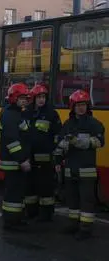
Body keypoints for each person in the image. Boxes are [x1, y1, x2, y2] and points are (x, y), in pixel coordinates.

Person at [54, 90, 105, 240]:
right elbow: (60, 144)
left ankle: (85, 228)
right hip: (70, 169)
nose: (81, 108)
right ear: (73, 107)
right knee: (72, 199)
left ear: (87, 106)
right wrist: (57, 160)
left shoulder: (94, 124)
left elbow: (99, 142)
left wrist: (78, 142)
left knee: (87, 200)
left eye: (83, 105)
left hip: (86, 169)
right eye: (78, 105)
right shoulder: (68, 124)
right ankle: (73, 224)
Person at [0, 83, 32, 231]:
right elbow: (12, 141)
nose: (24, 101)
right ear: (14, 98)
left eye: (25, 98)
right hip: (14, 162)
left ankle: (16, 219)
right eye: (21, 98)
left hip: (15, 161)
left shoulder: (14, 113)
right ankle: (10, 222)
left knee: (17, 193)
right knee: (13, 193)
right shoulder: (11, 115)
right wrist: (22, 160)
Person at [24, 84, 62, 221]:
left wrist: (56, 155)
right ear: (33, 98)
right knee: (29, 189)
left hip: (45, 160)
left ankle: (46, 215)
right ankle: (31, 212)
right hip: (29, 159)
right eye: (39, 97)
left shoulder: (51, 113)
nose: (41, 100)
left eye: (44, 97)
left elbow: (58, 135)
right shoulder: (26, 112)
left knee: (46, 189)